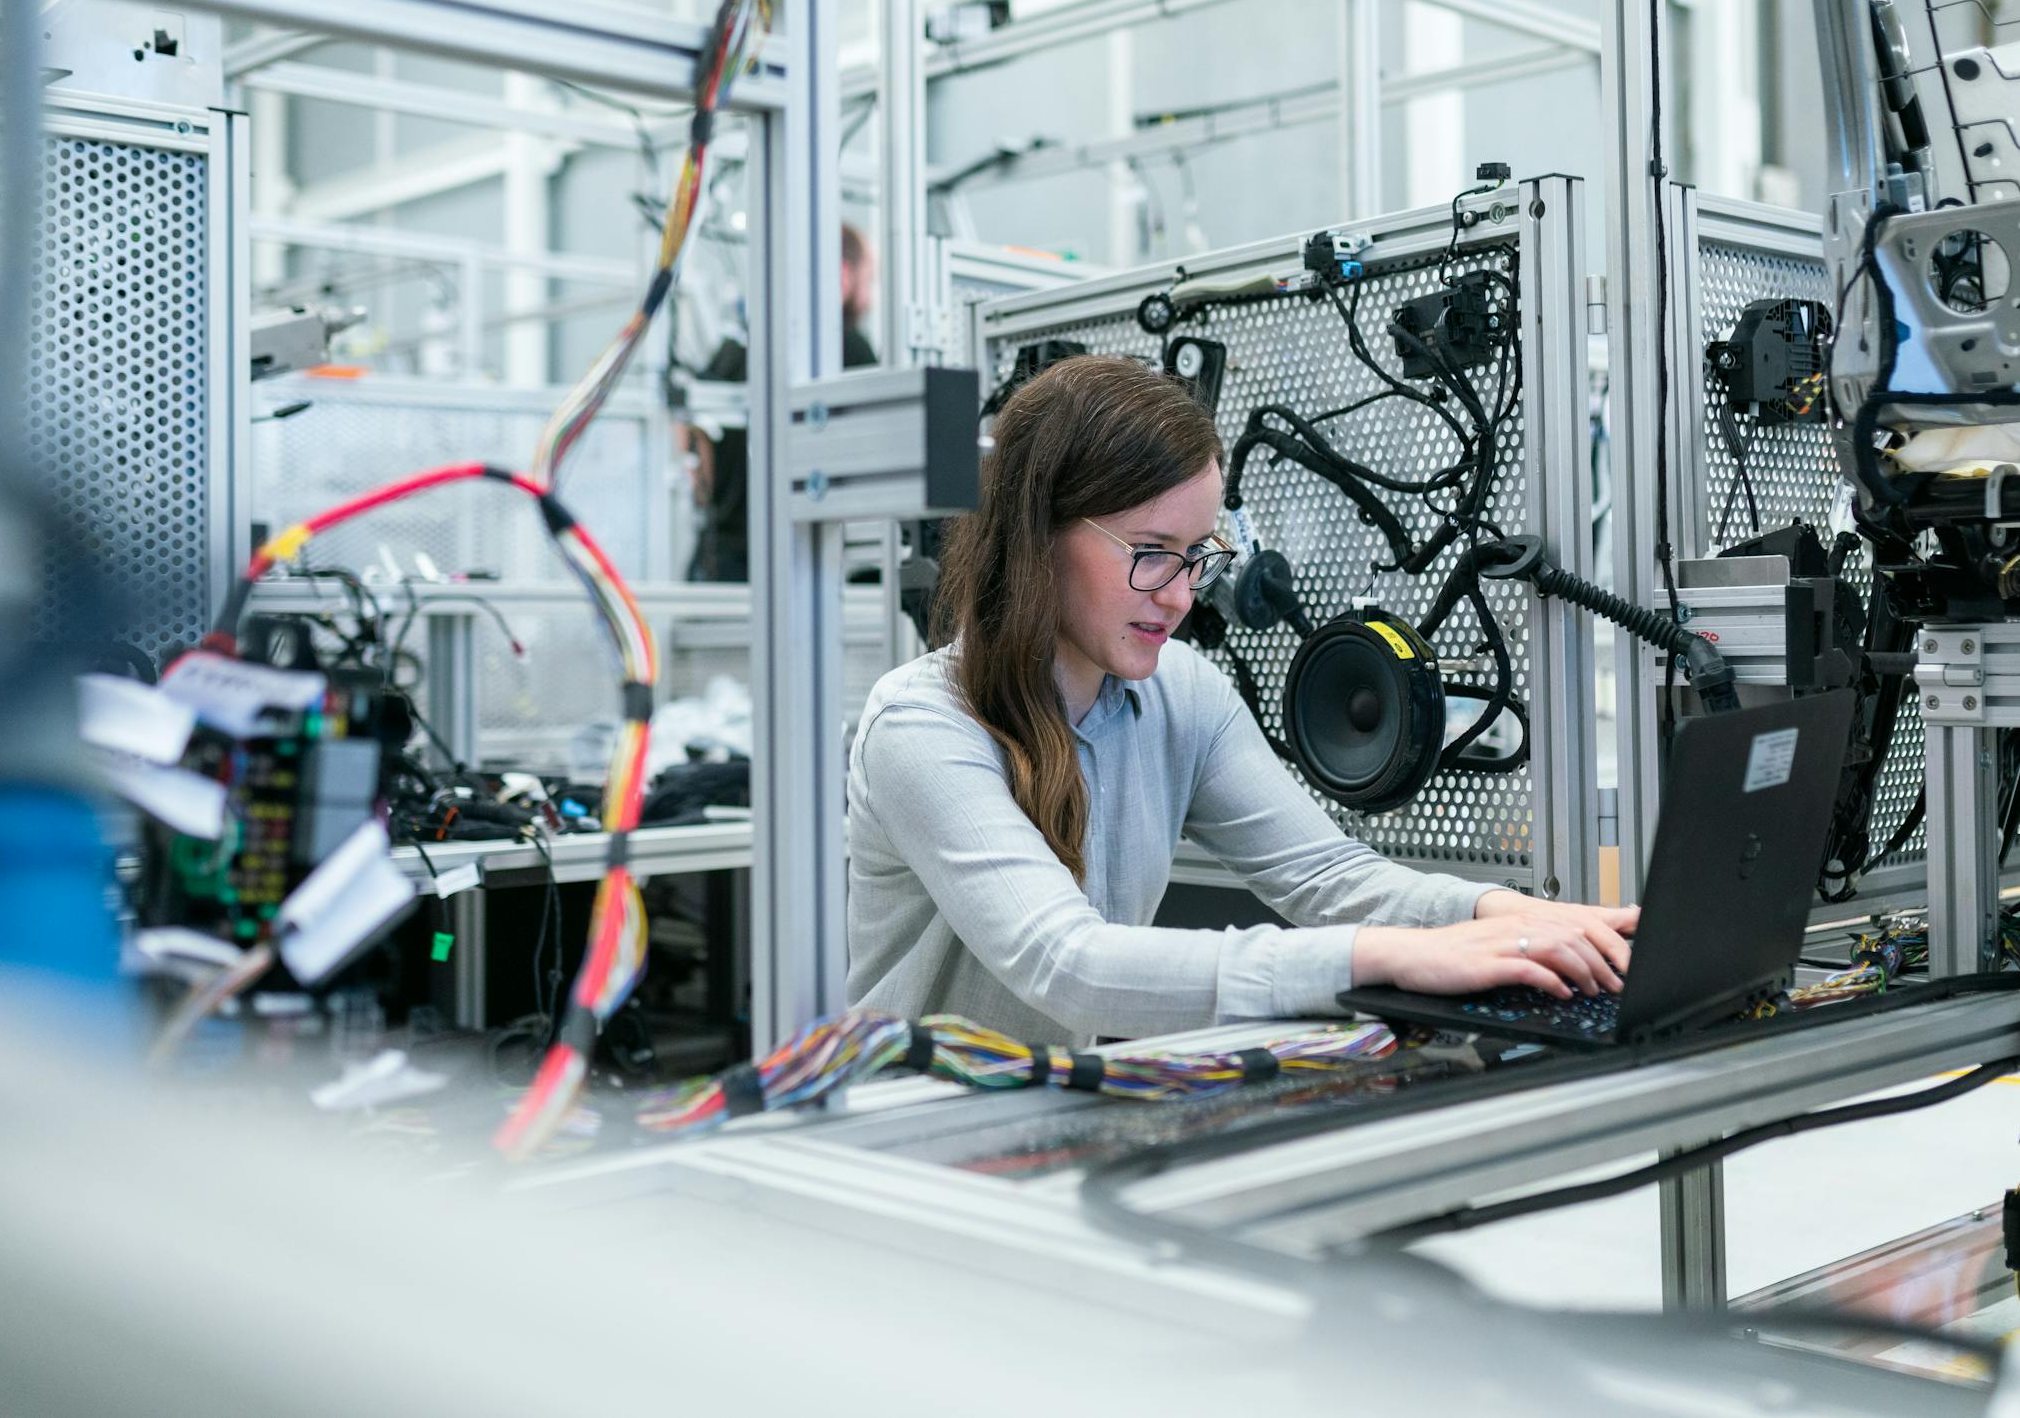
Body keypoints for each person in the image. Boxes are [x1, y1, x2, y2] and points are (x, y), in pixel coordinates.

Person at [846, 354, 1637, 1045]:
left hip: (1049, 1118)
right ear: (1037, 535)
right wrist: (1385, 957)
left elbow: (1329, 877)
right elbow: (1069, 965)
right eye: (1152, 554)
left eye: (1197, 556)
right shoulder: (924, 724)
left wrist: (1507, 916)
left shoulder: (1181, 695)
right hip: (912, 1148)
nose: (1183, 596)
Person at [686, 223, 879, 582]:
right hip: (800, 563)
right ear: (842, 275)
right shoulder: (847, 346)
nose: (871, 294)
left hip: (721, 564)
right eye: (871, 278)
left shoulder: (734, 349)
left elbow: (694, 450)